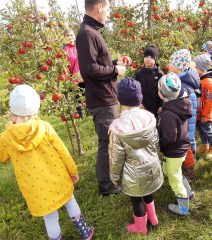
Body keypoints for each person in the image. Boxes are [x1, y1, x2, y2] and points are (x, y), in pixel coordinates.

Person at [0, 85, 94, 240]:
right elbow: (62, 151)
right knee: (70, 201)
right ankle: (85, 231)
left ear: (13, 111)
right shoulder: (45, 127)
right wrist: (72, 171)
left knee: (49, 217)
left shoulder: (6, 137)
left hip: (35, 188)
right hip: (58, 178)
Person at [76, 0, 130, 196]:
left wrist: (116, 62)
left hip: (105, 95)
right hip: (101, 99)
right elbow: (89, 70)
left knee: (110, 141)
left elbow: (98, 63)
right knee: (107, 143)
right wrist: (116, 70)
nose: (108, 13)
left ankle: (111, 178)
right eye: (107, 9)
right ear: (99, 7)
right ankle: (107, 186)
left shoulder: (92, 32)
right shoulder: (87, 34)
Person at [108, 78, 163, 236]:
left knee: (136, 199)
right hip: (151, 166)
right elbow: (156, 143)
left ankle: (141, 228)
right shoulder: (149, 117)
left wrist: (114, 176)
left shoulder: (117, 127)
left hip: (133, 174)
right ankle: (153, 218)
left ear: (121, 100)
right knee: (148, 193)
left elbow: (116, 157)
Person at [157, 73, 194, 215]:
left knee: (174, 180)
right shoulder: (181, 104)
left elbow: (169, 137)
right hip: (182, 147)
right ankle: (188, 192)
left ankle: (183, 208)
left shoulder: (168, 114)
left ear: (161, 93)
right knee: (173, 171)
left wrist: (159, 144)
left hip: (173, 151)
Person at [169, 49, 200, 182]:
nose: (169, 65)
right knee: (188, 145)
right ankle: (187, 170)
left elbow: (185, 110)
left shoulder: (183, 87)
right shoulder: (183, 81)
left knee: (186, 148)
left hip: (185, 124)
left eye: (171, 63)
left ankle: (188, 175)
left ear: (178, 66)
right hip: (186, 123)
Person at [193, 54, 212, 159]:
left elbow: (210, 101)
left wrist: (205, 115)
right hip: (198, 113)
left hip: (205, 114)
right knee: (200, 130)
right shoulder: (200, 79)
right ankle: (204, 145)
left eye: (194, 67)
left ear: (200, 67)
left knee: (207, 131)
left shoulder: (208, 82)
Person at [134, 44, 164, 117]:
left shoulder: (160, 74)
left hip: (155, 108)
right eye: (146, 57)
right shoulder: (139, 73)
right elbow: (136, 90)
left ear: (155, 59)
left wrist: (161, 105)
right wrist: (138, 103)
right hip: (141, 107)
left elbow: (163, 91)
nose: (148, 59)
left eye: (151, 57)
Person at [63, 28, 84, 118]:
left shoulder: (78, 46)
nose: (70, 37)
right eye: (68, 35)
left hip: (82, 74)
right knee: (77, 96)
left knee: (84, 93)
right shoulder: (65, 50)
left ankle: (89, 110)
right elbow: (64, 65)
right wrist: (68, 78)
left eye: (71, 35)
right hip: (72, 77)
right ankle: (80, 114)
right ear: (64, 38)